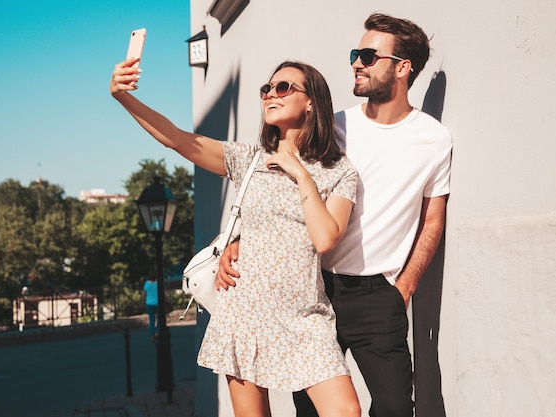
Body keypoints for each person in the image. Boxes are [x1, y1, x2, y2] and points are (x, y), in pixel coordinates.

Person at [218, 13, 453, 417]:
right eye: (354, 54)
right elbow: (275, 188)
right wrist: (241, 242)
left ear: (402, 68)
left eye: (367, 55)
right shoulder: (332, 126)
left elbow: (433, 219)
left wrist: (403, 289)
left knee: (397, 406)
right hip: (311, 291)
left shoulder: (434, 138)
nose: (356, 63)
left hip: (379, 297)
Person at [110, 58, 361, 417]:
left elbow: (324, 240)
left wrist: (301, 175)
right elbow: (179, 140)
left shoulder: (339, 171)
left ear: (311, 101)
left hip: (305, 316)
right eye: (267, 89)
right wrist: (123, 97)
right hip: (245, 310)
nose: (271, 94)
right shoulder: (250, 159)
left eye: (284, 87)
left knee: (346, 411)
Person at [142, 273, 159, 341]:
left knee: (151, 320)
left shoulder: (147, 284)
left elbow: (144, 294)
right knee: (159, 320)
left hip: (149, 303)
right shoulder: (158, 283)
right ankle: (157, 332)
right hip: (157, 303)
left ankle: (152, 335)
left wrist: (143, 303)